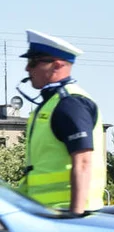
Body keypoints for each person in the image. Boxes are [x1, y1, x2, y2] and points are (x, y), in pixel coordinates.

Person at [16, 30, 107, 214]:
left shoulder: (70, 103)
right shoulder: (52, 103)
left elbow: (82, 161)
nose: (27, 69)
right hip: (49, 215)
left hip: (67, 216)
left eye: (33, 61)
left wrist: (74, 217)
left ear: (57, 65)